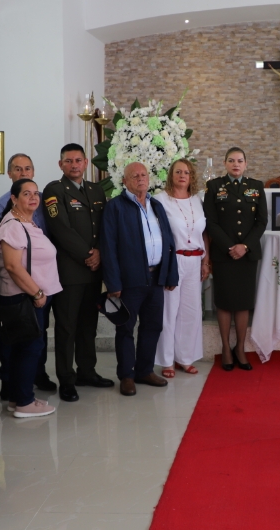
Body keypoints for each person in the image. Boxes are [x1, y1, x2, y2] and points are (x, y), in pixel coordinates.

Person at [102, 162, 179, 397]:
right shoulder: (115, 207)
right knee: (125, 328)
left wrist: (170, 273)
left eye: (143, 175)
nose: (140, 178)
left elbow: (169, 241)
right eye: (134, 176)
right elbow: (108, 246)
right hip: (129, 280)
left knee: (153, 326)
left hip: (156, 277)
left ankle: (144, 370)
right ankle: (127, 375)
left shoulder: (156, 205)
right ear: (124, 181)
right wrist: (113, 283)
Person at [42, 144, 111, 403]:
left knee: (88, 326)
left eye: (78, 160)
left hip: (94, 272)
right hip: (70, 271)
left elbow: (105, 227)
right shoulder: (54, 190)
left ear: (85, 163)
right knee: (67, 327)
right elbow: (61, 229)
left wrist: (101, 252)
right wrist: (88, 254)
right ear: (61, 165)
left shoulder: (96, 190)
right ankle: (67, 379)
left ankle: (87, 372)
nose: (74, 165)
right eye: (68, 161)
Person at [0, 179, 61, 418]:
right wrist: (37, 292)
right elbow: (12, 266)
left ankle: (17, 397)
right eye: (26, 194)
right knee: (30, 348)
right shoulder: (12, 225)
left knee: (25, 347)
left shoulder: (26, 222)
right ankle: (24, 402)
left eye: (36, 194)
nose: (33, 198)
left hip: (31, 296)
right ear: (14, 198)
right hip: (25, 297)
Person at [202, 147, 268, 372]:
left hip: (247, 255)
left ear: (246, 164)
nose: (236, 164)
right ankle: (225, 349)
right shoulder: (214, 186)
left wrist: (245, 246)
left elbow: (262, 221)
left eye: (240, 161)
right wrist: (230, 246)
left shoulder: (257, 187)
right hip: (224, 254)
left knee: (243, 303)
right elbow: (210, 221)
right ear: (225, 163)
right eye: (231, 161)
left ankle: (240, 348)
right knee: (223, 302)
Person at [153, 158, 209, 377]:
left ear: (191, 176)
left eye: (186, 172)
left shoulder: (197, 200)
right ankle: (166, 360)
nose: (182, 175)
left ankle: (184, 358)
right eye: (178, 171)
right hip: (173, 261)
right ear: (171, 175)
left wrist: (206, 260)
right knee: (170, 310)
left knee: (191, 311)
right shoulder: (160, 200)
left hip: (195, 260)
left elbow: (204, 232)